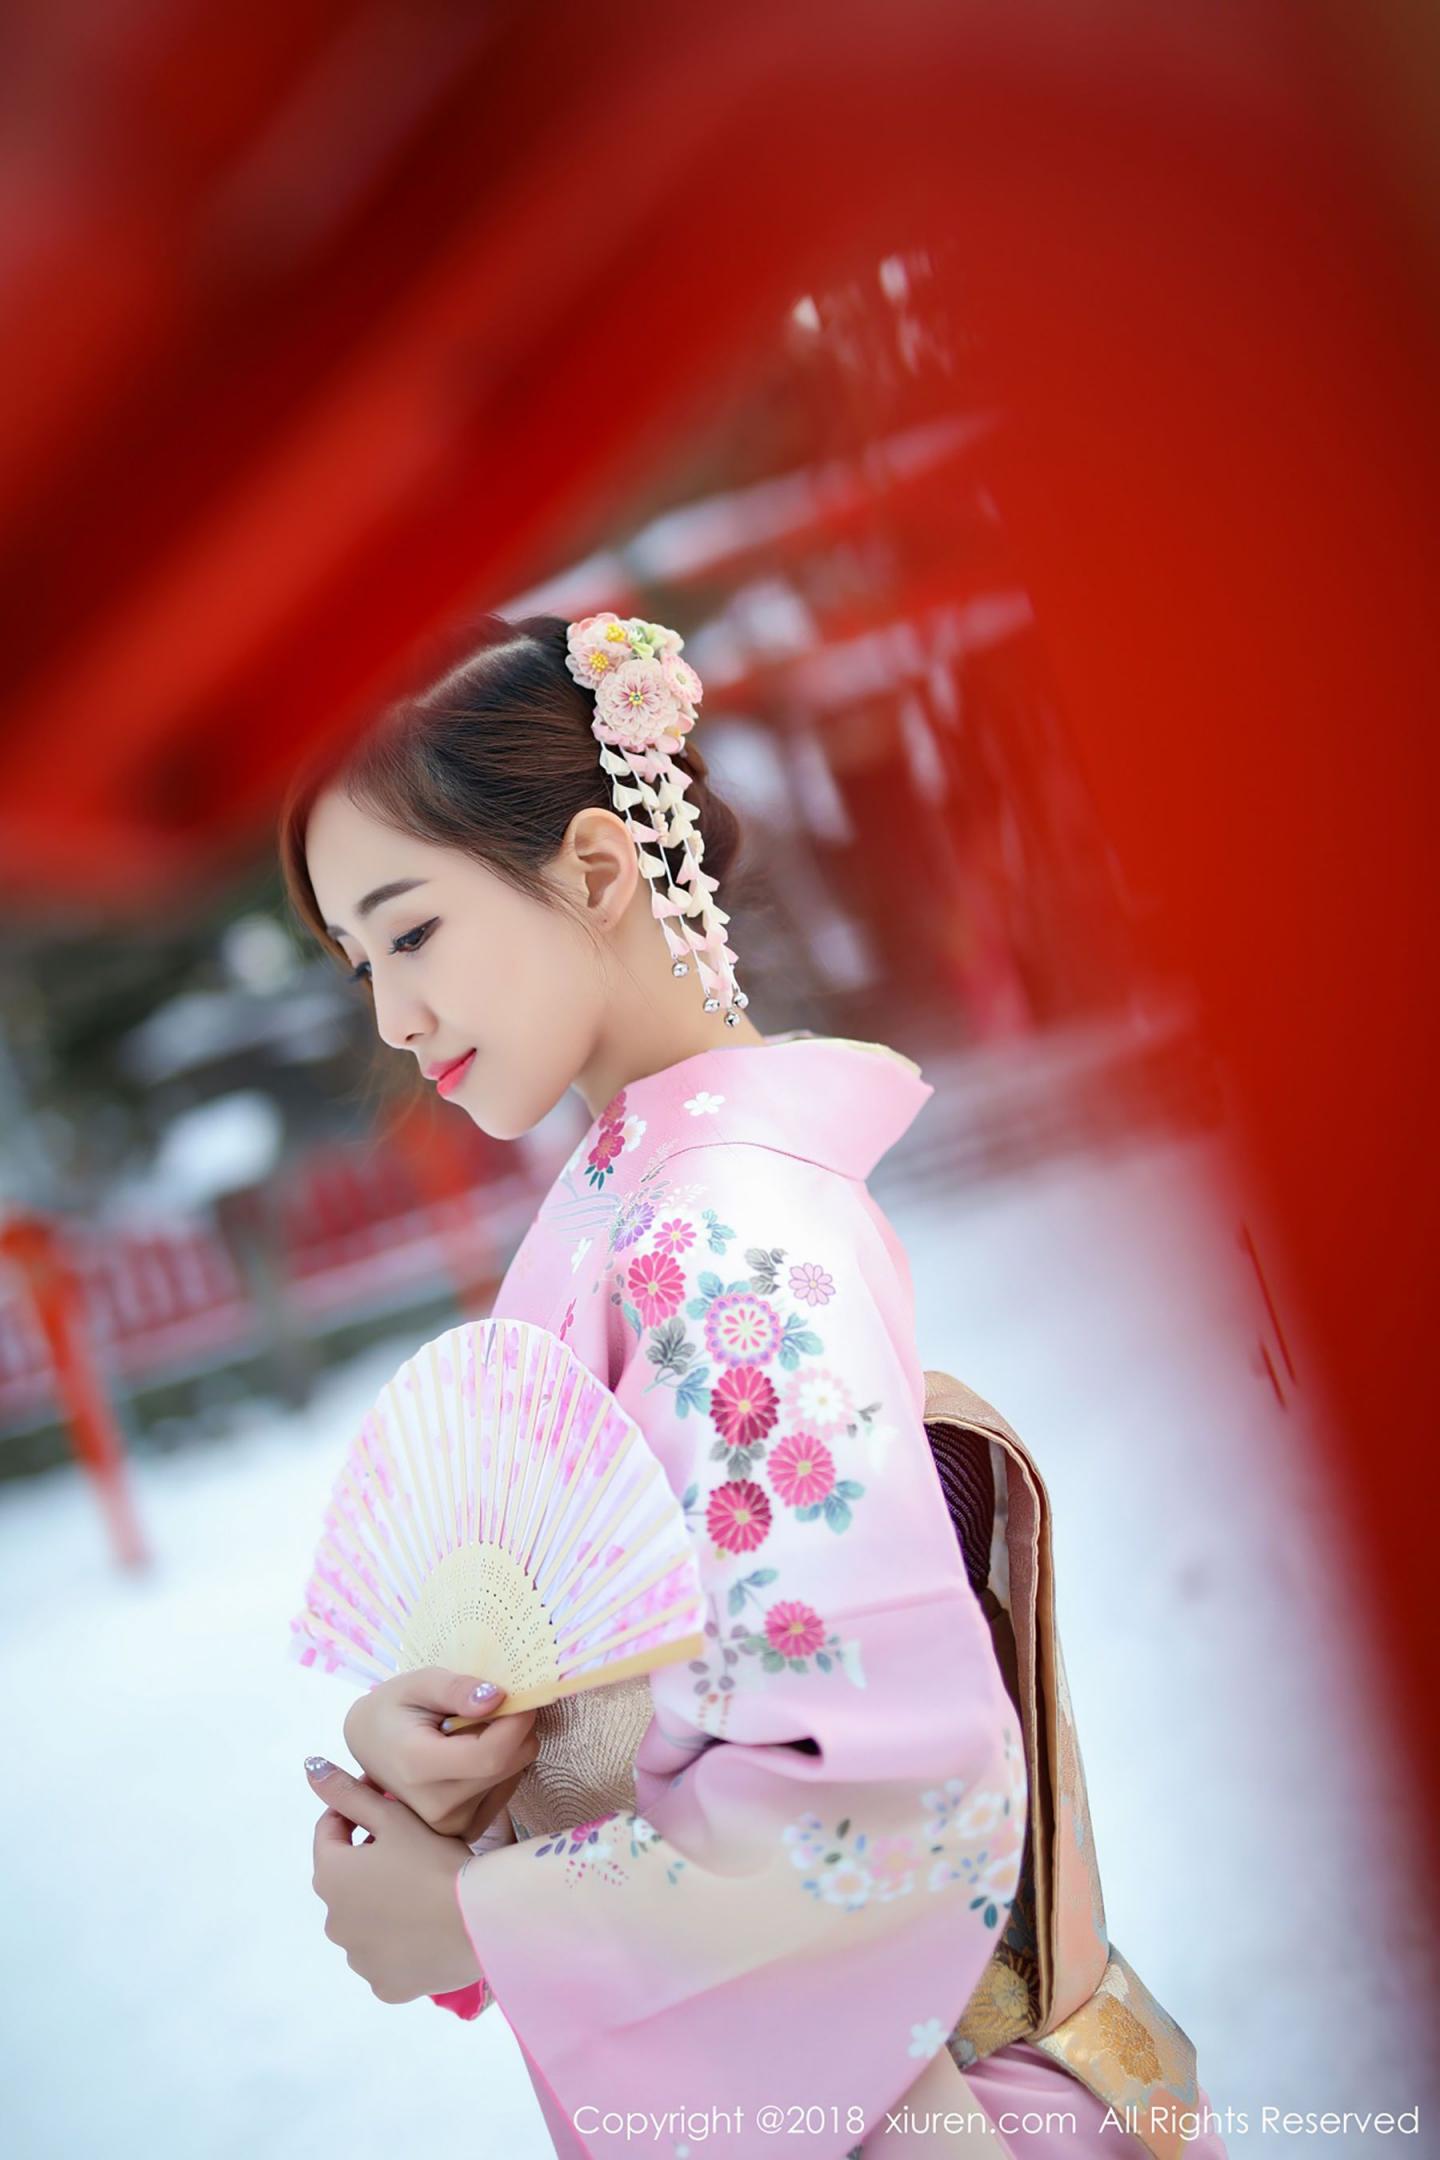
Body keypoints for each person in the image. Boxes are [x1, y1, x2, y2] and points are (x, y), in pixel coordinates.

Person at [284, 612, 1229, 2159]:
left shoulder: (720, 1235)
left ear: (601, 869)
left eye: (412, 932)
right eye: (358, 964)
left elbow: (865, 1800)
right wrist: (459, 1767)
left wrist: (478, 1916)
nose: (392, 1015)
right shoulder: (634, 1208)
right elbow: (605, 1686)